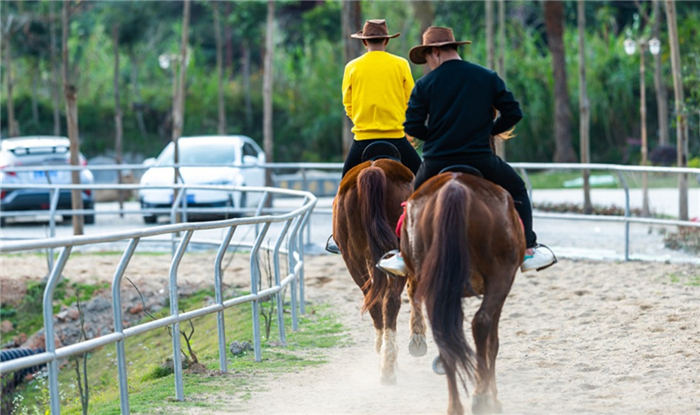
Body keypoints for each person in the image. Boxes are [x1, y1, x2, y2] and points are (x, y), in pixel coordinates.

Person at [377, 26, 556, 274]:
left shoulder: (425, 84)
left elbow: (412, 126)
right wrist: (489, 131)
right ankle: (528, 251)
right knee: (517, 189)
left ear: (435, 52)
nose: (428, 64)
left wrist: (437, 137)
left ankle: (402, 254)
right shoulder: (486, 76)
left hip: (436, 162)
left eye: (427, 58)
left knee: (412, 202)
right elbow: (514, 112)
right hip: (481, 159)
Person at [326, 19, 421, 254]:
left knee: (341, 193)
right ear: (387, 41)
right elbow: (412, 99)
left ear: (365, 41)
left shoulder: (352, 67)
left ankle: (337, 236)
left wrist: (360, 118)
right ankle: (429, 227)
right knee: (425, 184)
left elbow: (347, 104)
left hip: (362, 141)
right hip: (397, 138)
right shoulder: (400, 64)